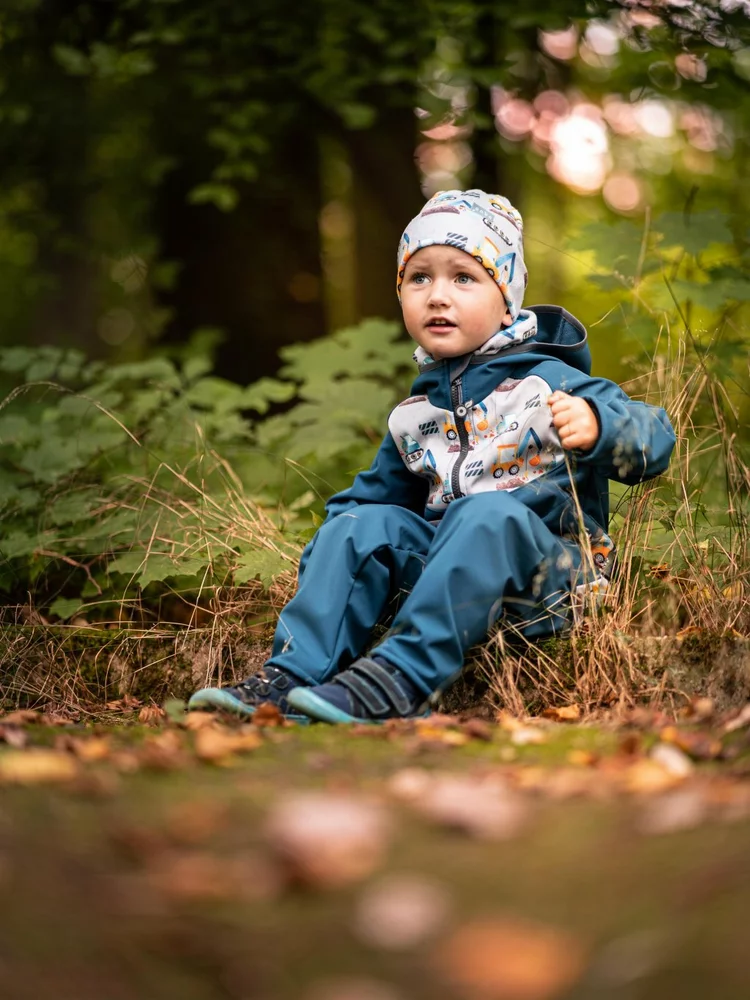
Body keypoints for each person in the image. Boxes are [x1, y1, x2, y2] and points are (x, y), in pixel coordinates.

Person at [189, 189, 676, 724]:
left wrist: (600, 424)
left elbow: (656, 441)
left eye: (464, 278)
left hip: (552, 582)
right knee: (357, 524)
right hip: (448, 577)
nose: (438, 296)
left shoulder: (553, 383)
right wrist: (333, 549)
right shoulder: (417, 414)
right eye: (419, 277)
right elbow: (371, 506)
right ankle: (291, 676)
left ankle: (400, 679)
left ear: (506, 298)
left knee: (483, 512)